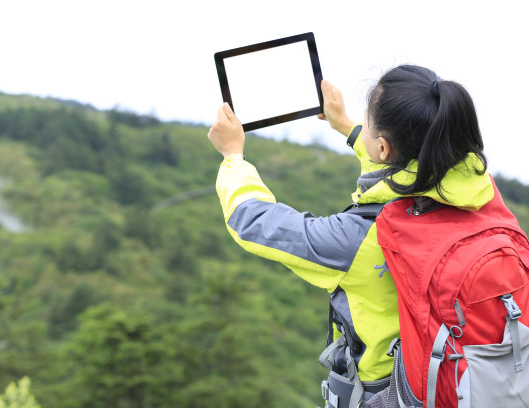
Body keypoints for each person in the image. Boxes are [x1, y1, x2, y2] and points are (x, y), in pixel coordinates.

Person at [207, 64, 496, 407]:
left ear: (384, 148)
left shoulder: (359, 238)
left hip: (390, 395)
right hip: (466, 382)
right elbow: (401, 167)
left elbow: (253, 220)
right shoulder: (479, 194)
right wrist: (345, 125)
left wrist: (233, 157)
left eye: (367, 123)